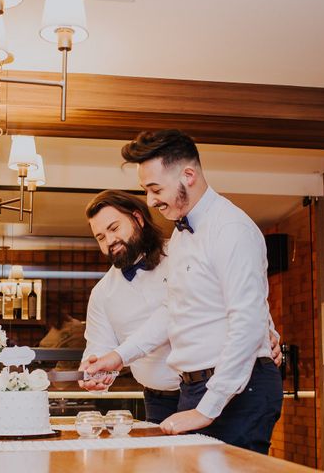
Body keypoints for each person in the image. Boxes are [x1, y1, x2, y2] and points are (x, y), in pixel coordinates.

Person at [83, 129, 283, 454]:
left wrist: (207, 408)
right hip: (194, 386)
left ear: (188, 175)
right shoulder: (182, 236)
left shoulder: (231, 229)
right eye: (146, 191)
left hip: (238, 389)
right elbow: (171, 313)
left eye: (155, 189)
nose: (150, 201)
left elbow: (247, 323)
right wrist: (118, 357)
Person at [82, 189, 181, 423]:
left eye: (114, 228)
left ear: (138, 219)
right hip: (158, 400)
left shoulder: (181, 254)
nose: (110, 241)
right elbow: (99, 346)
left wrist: (266, 331)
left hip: (207, 389)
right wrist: (93, 370)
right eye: (100, 237)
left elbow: (173, 315)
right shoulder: (102, 293)